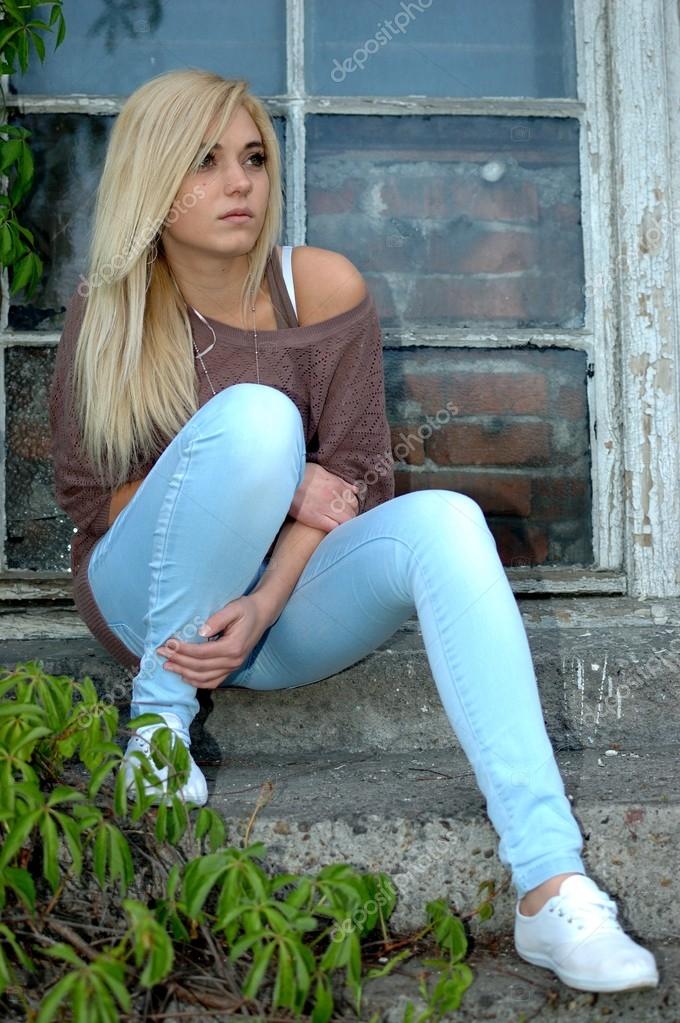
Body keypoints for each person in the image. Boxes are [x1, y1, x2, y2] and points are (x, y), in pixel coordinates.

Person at [48, 68, 658, 995]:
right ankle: (160, 731)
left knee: (448, 519)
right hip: (144, 604)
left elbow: (362, 481)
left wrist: (263, 598)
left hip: (274, 617)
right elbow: (93, 498)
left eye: (252, 158)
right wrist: (286, 482)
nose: (239, 183)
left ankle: (550, 882)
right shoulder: (113, 304)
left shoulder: (321, 288)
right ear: (153, 180)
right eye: (205, 162)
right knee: (257, 422)